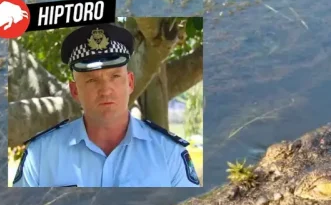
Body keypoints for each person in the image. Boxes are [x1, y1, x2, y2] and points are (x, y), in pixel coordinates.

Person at [12, 23, 200, 187]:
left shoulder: (169, 153)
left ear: (130, 83)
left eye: (115, 76)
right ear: (75, 90)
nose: (105, 90)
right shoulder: (40, 155)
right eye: (92, 80)